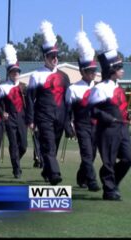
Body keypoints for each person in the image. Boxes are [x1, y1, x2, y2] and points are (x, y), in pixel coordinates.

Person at [26, 21, 73, 185]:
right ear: (45, 57)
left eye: (56, 56)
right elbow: (30, 99)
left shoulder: (64, 76)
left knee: (53, 147)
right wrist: (30, 120)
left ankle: (47, 170)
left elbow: (69, 100)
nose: (55, 59)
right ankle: (54, 175)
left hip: (60, 116)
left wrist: (69, 121)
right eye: (52, 56)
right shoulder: (36, 75)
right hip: (43, 116)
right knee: (48, 145)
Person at [89, 22, 131, 200]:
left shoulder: (120, 89)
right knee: (108, 160)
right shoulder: (100, 89)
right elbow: (92, 110)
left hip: (123, 130)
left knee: (128, 158)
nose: (122, 70)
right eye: (119, 68)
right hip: (107, 130)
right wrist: (107, 118)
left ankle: (111, 181)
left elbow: (122, 108)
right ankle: (109, 190)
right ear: (112, 70)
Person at [65, 31, 100, 191]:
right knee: (86, 152)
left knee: (91, 154)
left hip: (96, 125)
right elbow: (67, 111)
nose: (94, 73)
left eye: (94, 70)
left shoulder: (99, 87)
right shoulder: (73, 89)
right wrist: (69, 127)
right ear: (83, 72)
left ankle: (81, 177)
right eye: (90, 71)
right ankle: (92, 181)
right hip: (81, 125)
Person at [0, 44, 27, 178]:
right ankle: (16, 169)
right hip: (10, 118)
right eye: (13, 72)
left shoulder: (23, 87)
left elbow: (29, 104)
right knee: (14, 144)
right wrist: (2, 112)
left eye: (17, 72)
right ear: (9, 73)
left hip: (22, 117)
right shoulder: (3, 87)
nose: (16, 74)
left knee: (24, 146)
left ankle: (15, 160)